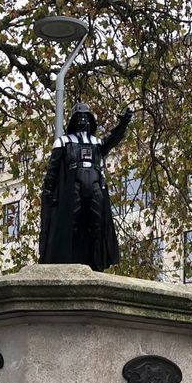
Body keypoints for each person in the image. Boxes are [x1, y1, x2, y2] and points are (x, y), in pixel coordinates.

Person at [39, 103, 133, 271]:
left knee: (97, 224)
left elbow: (110, 142)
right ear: (73, 121)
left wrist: (122, 125)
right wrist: (48, 192)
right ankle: (67, 261)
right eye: (79, 117)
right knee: (70, 224)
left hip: (95, 184)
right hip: (73, 186)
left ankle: (96, 262)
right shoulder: (63, 142)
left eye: (86, 117)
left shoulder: (96, 142)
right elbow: (52, 170)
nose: (83, 120)